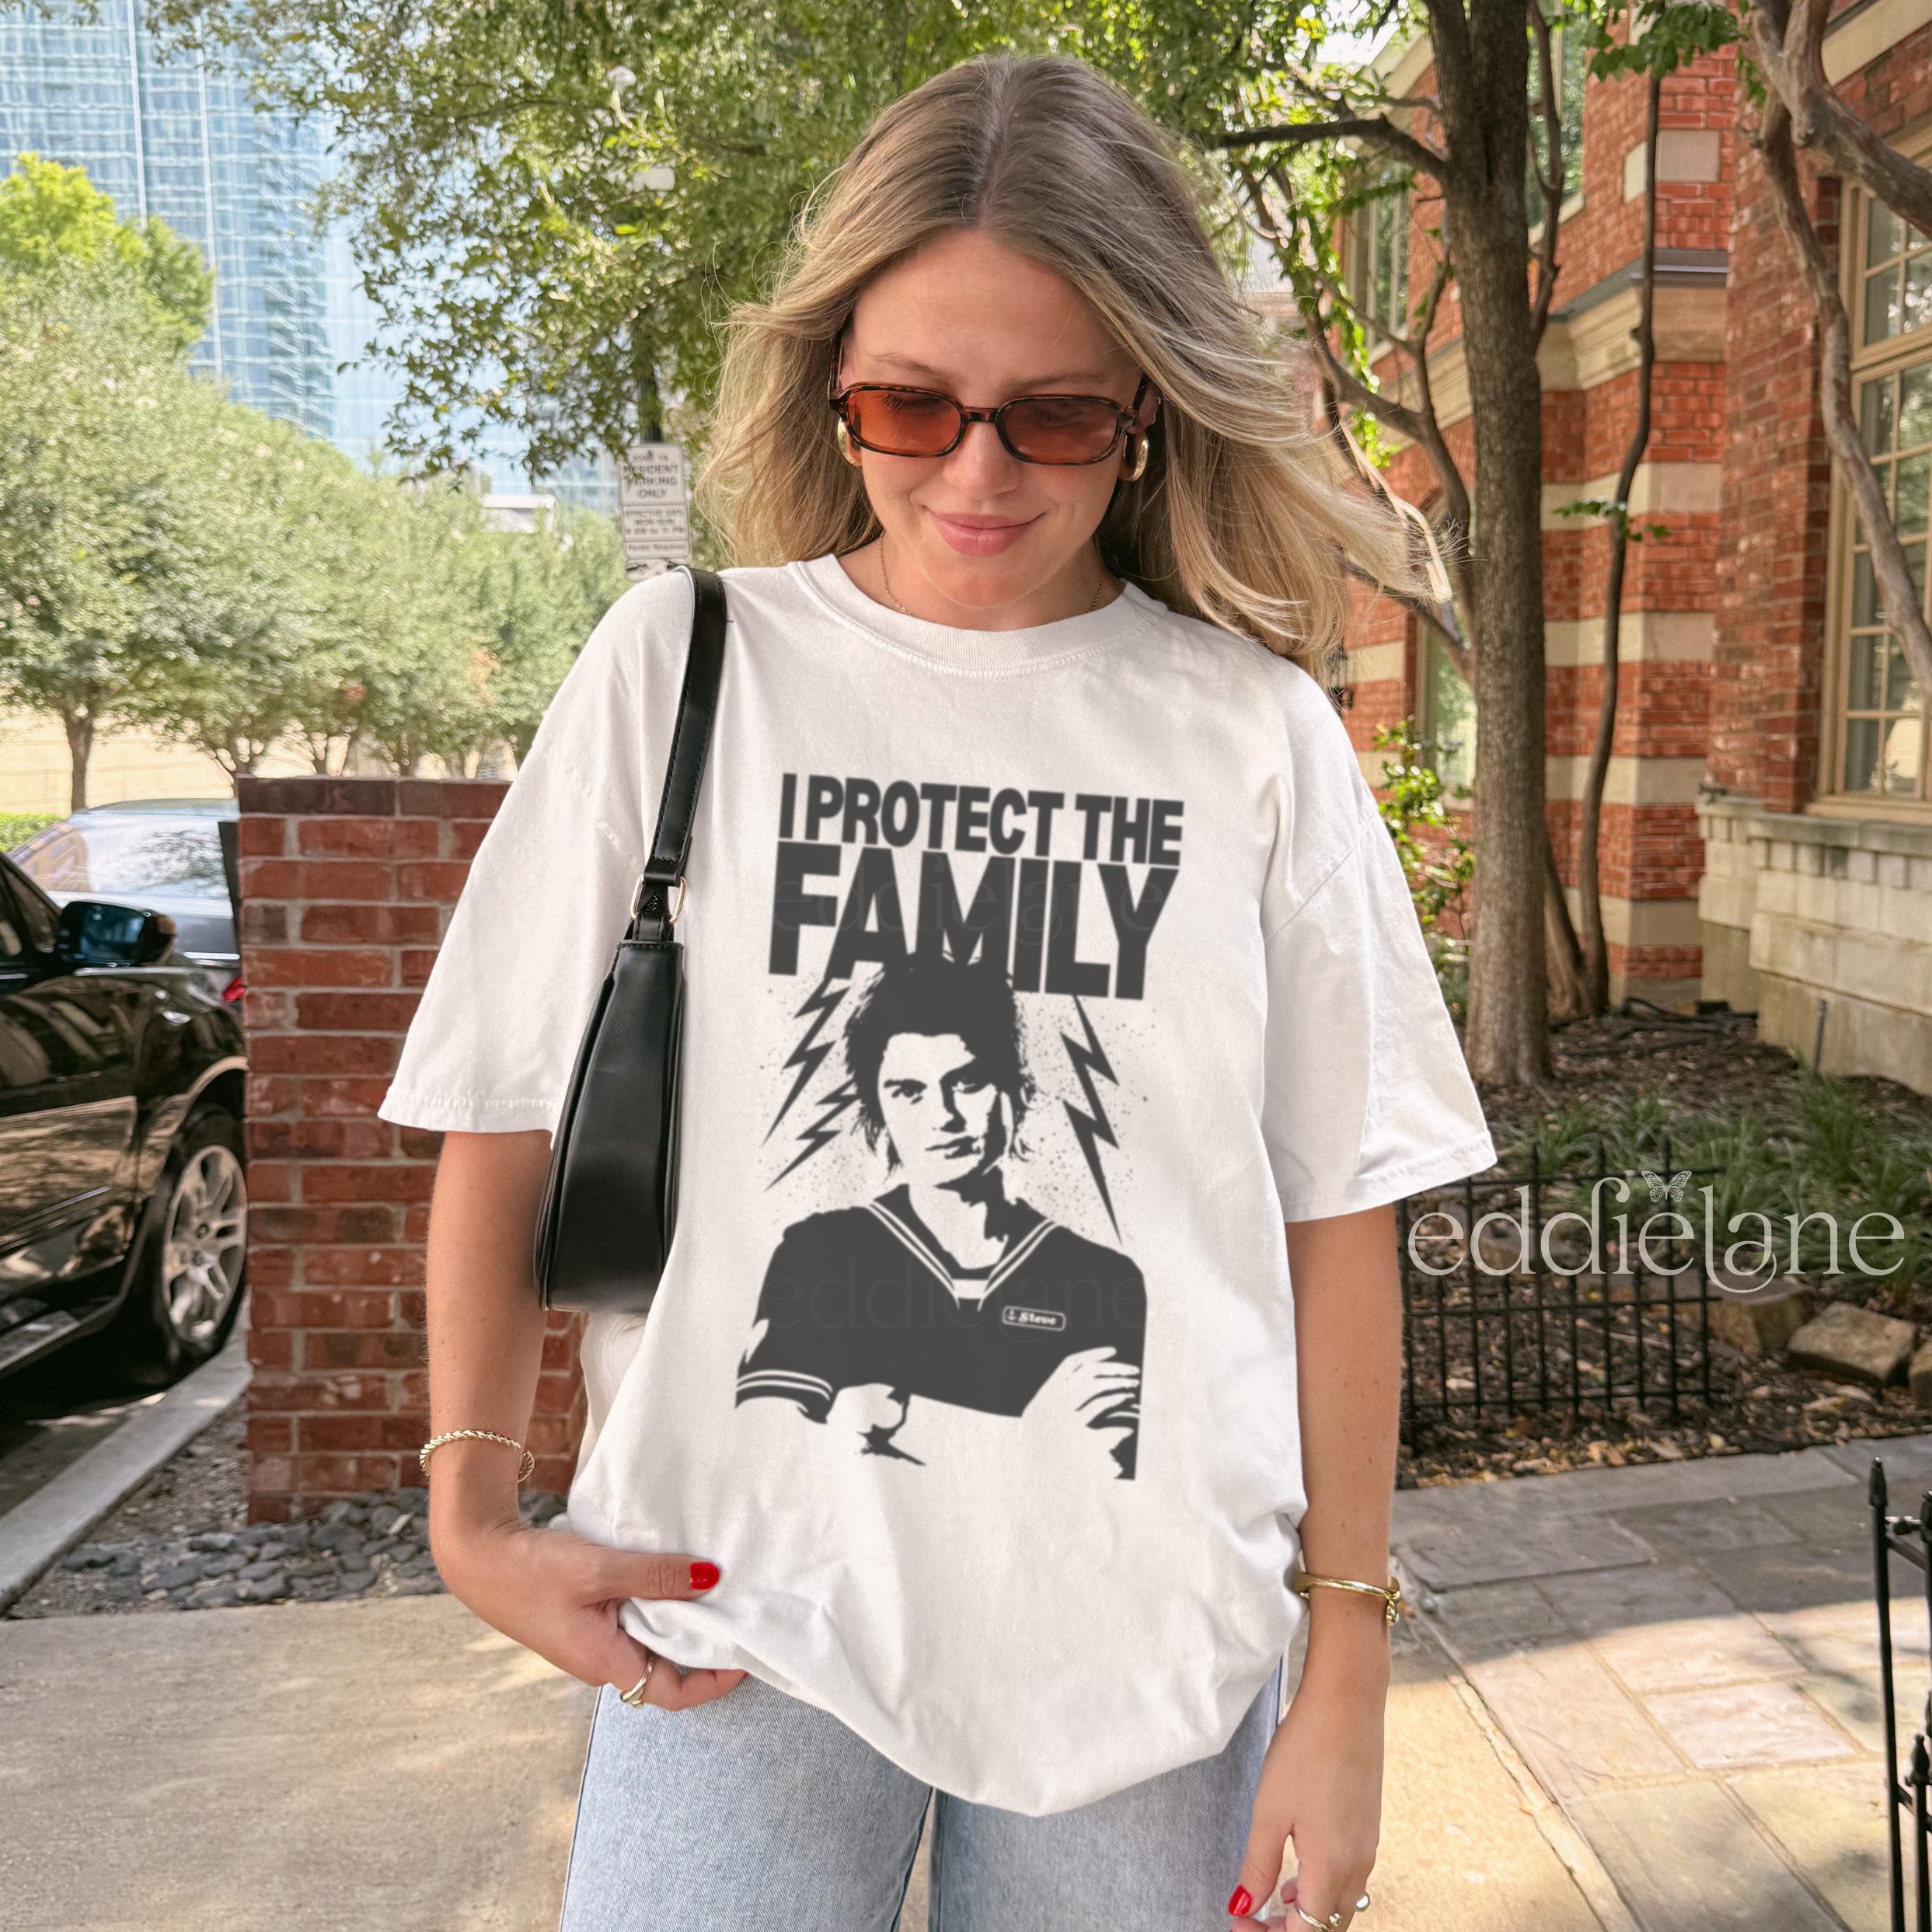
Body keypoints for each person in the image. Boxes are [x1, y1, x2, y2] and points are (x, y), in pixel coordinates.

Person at [383, 52, 1494, 1932]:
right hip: (736, 1616)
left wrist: (1349, 1668)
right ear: (833, 379)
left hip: (1140, 1666)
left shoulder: (1253, 738)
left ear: (1146, 410)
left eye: (1053, 416)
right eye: (913, 403)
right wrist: (473, 1514)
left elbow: (1337, 1216)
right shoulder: (683, 666)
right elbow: (501, 1107)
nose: (976, 474)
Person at [736, 953, 1146, 1477]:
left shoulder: (1101, 1279)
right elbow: (766, 1443)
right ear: (877, 1110)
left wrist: (879, 1424)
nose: (943, 1116)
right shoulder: (818, 1255)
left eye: (968, 1082)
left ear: (1016, 1089)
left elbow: (1107, 1473)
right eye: (909, 1092)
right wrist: (1030, 1432)